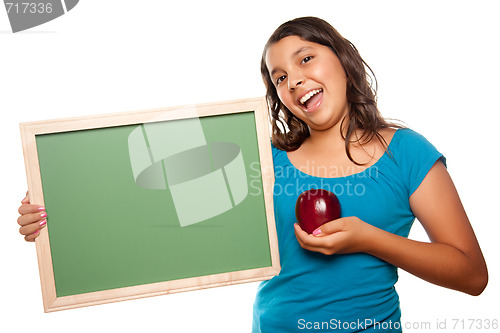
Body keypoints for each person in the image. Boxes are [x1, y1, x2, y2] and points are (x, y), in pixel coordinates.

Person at [17, 16, 487, 333]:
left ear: (343, 60)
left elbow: (471, 274)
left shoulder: (407, 153)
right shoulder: (262, 161)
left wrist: (369, 238)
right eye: (278, 77)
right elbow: (153, 218)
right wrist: (55, 211)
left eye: (305, 59)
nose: (294, 79)